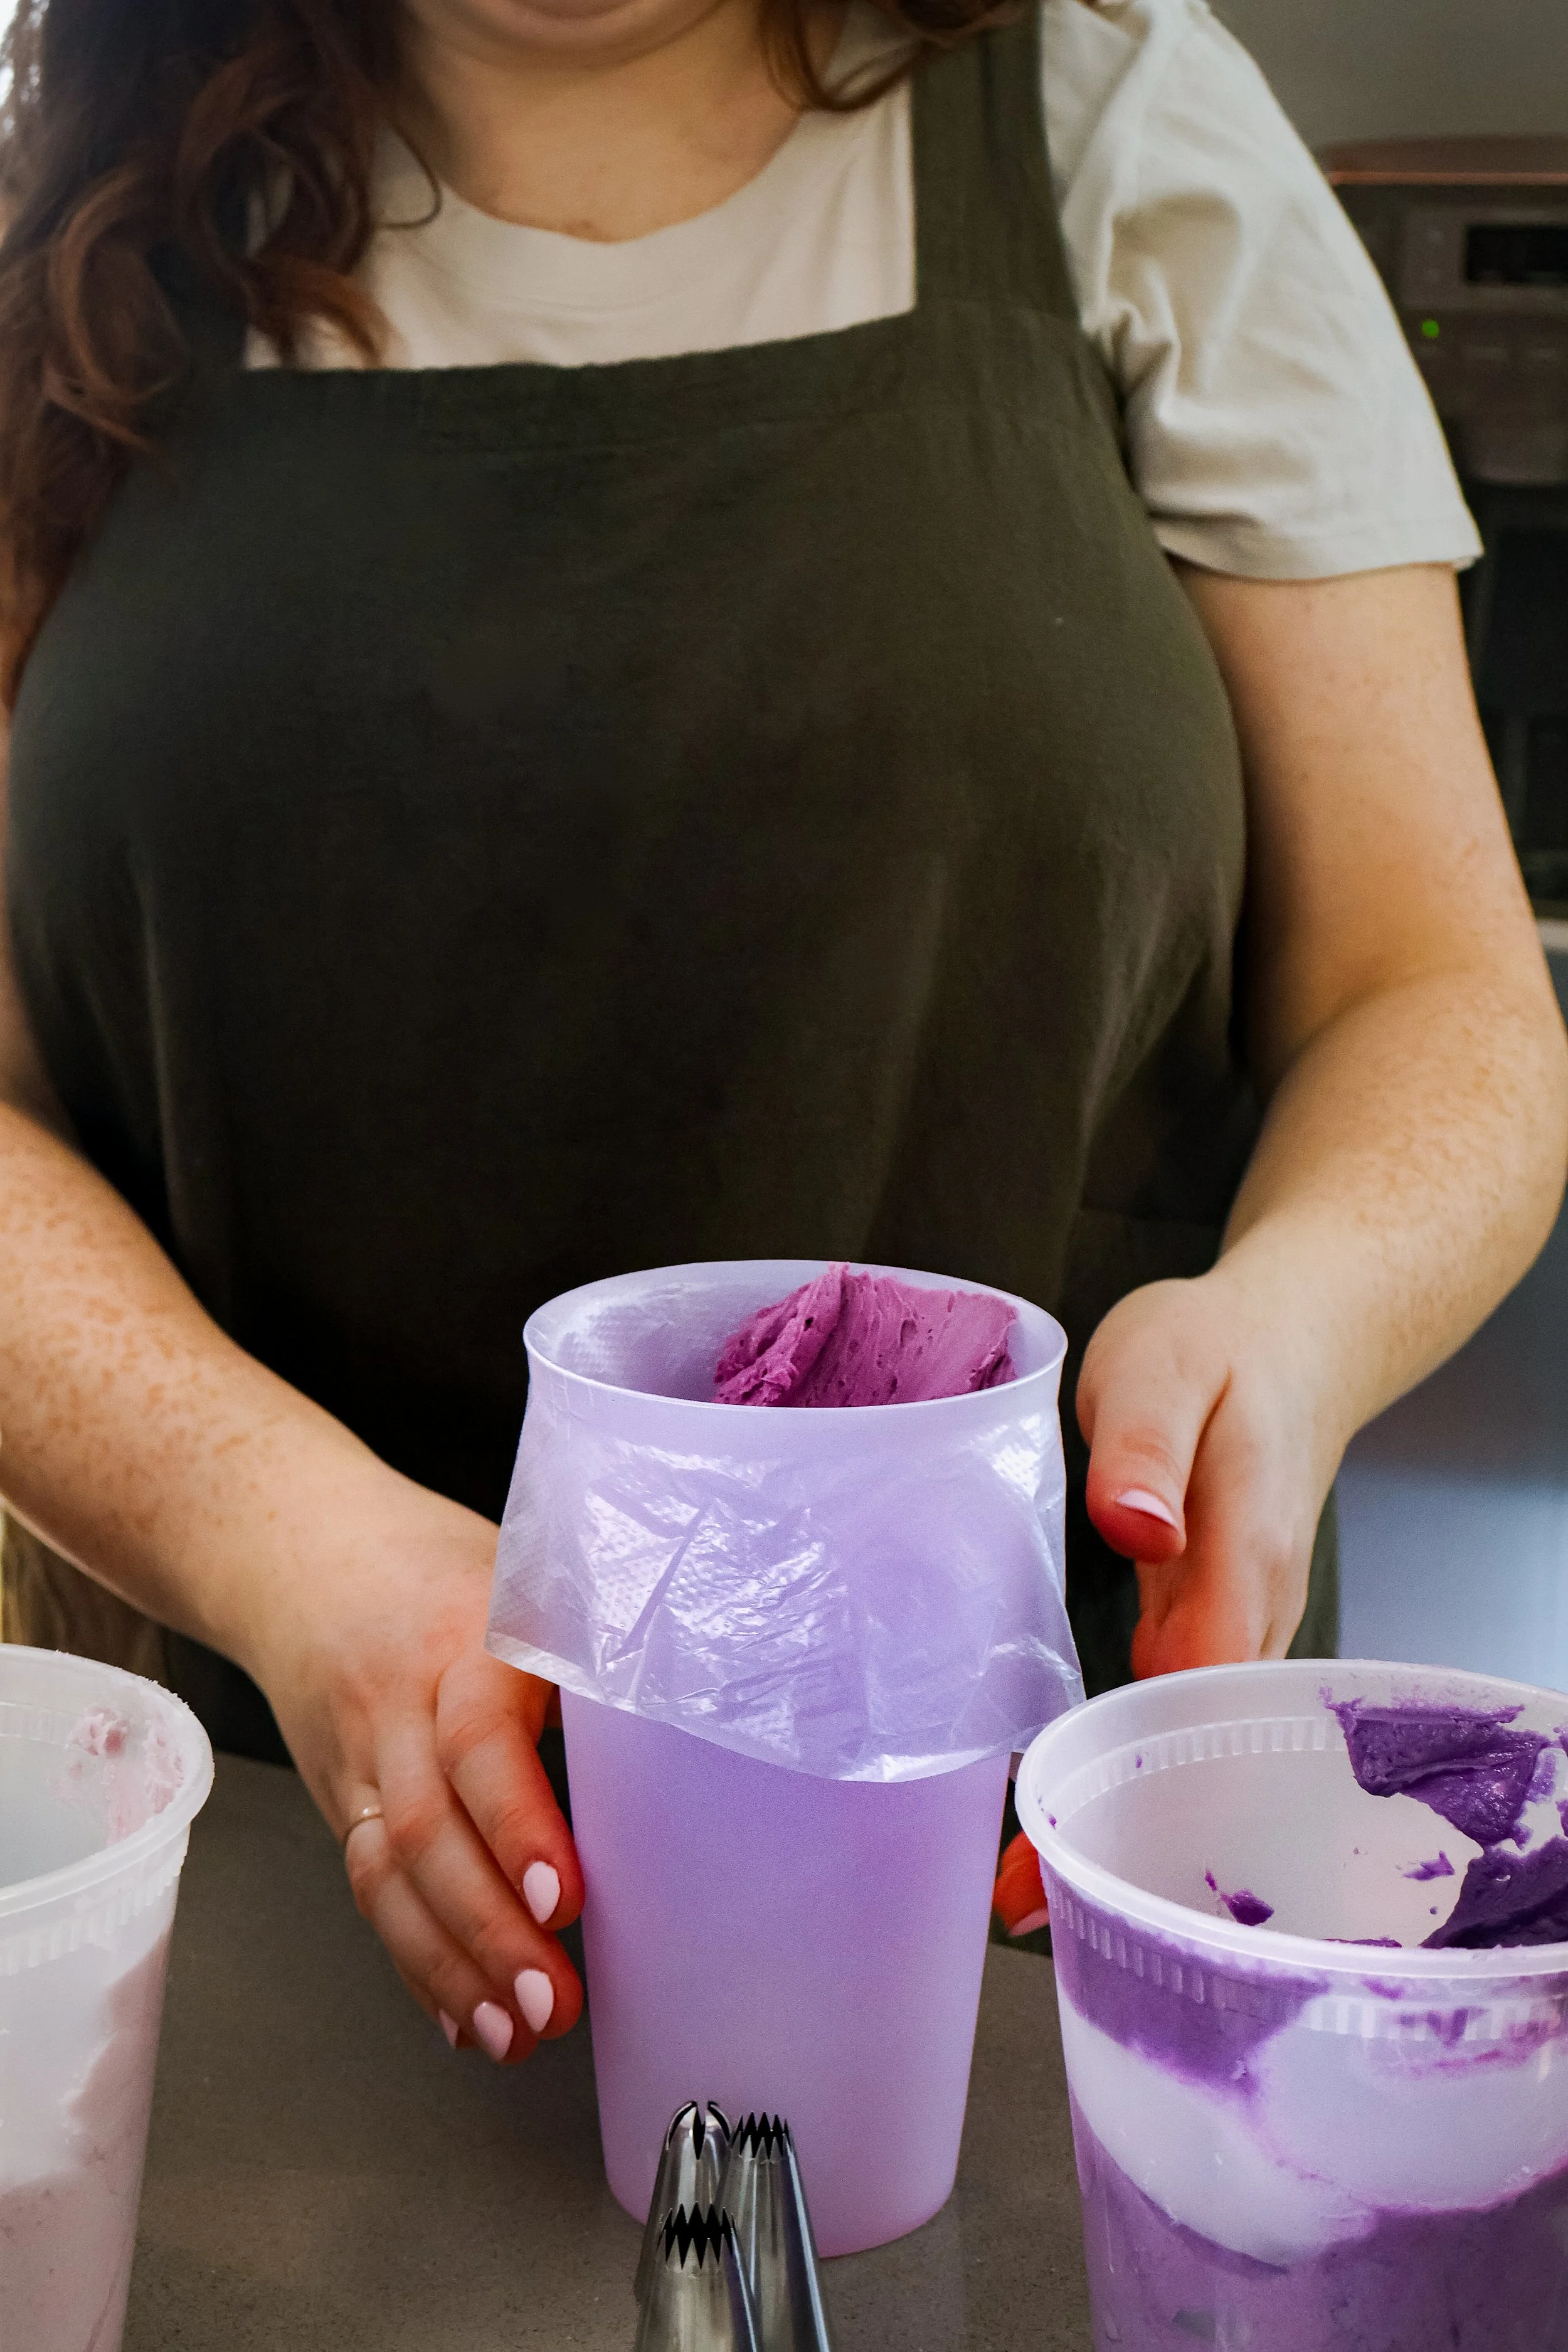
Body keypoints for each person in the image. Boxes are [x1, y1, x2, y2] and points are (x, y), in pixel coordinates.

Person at [0, 0, 1563, 2065]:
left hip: (1035, 1862)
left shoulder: (1107, 127)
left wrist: (1297, 1313)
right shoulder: (82, 209)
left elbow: (1425, 986)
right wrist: (295, 1549)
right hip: (281, 1825)